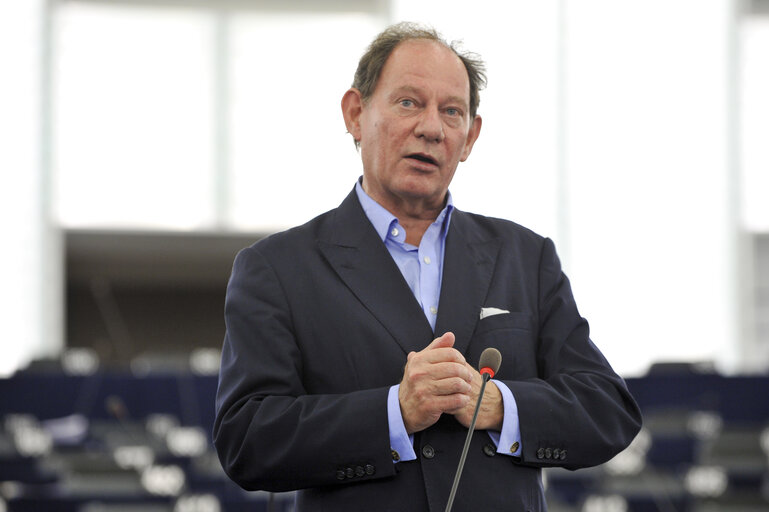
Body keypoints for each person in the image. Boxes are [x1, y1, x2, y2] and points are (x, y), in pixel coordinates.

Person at [213, 22, 642, 512]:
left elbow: (608, 409)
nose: (432, 128)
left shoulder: (527, 256)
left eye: (452, 111)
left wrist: (502, 405)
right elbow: (245, 439)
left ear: (470, 136)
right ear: (356, 114)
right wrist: (394, 411)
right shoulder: (277, 268)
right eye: (408, 103)